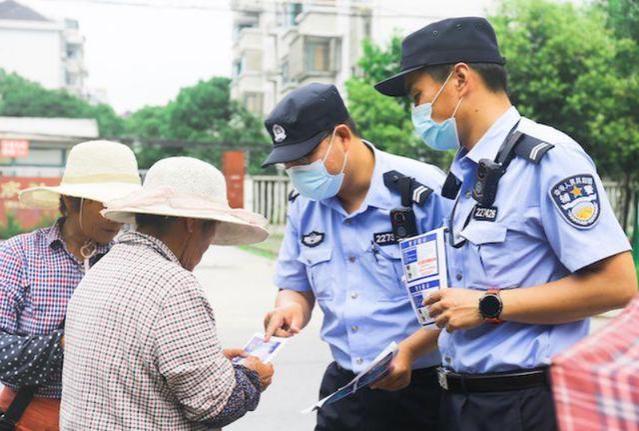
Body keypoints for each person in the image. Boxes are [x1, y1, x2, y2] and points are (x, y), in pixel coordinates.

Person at [375, 16, 637, 431]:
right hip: (461, 399)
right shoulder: (466, 175)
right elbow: (463, 304)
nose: (417, 111)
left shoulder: (550, 160)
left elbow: (618, 285)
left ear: (460, 79)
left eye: (418, 95)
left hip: (525, 403)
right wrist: (412, 346)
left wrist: (490, 305)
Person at [261, 83, 451, 431]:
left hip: (422, 387)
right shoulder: (304, 206)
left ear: (343, 136)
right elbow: (295, 284)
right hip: (345, 388)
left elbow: (464, 292)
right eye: (290, 165)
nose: (299, 172)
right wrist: (289, 308)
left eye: (305, 160)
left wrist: (409, 351)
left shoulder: (421, 192)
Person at [60, 156, 274, 431]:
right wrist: (252, 374)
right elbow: (216, 405)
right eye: (211, 229)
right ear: (192, 224)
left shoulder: (101, 269)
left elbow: (135, 364)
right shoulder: (175, 285)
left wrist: (208, 362)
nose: (208, 245)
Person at [0, 140, 142, 431]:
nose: (114, 218)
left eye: (121, 206)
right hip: (28, 418)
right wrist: (66, 342)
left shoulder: (128, 263)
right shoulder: (18, 256)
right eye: (104, 204)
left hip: (107, 419)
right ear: (70, 201)